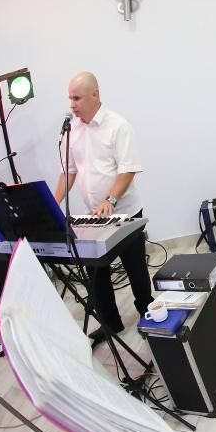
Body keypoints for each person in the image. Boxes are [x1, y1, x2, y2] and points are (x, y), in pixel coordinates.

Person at [54, 72, 154, 345]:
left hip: (124, 213)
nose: (72, 104)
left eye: (77, 98)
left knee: (135, 269)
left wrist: (110, 200)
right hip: (93, 217)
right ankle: (110, 323)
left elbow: (128, 169)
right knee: (96, 273)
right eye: (70, 98)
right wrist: (53, 203)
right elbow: (68, 172)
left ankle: (148, 314)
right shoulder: (72, 131)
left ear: (95, 94)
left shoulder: (118, 126)